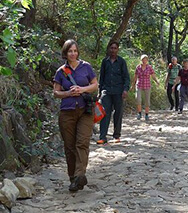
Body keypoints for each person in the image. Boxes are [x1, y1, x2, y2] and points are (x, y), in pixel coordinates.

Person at [53, 39, 98, 192]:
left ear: (78, 52)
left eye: (75, 51)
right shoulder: (61, 71)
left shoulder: (86, 67)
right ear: (65, 53)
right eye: (70, 51)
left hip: (85, 111)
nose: (73, 53)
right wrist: (68, 93)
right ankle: (73, 179)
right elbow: (56, 92)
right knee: (70, 147)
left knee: (82, 143)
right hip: (67, 112)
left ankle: (80, 175)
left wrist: (82, 89)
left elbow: (94, 85)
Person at [97, 41, 130, 145]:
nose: (113, 50)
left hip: (118, 91)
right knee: (104, 113)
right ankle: (102, 137)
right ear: (109, 49)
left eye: (115, 48)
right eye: (111, 48)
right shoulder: (105, 62)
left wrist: (125, 89)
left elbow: (126, 78)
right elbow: (101, 77)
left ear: (118, 49)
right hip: (106, 91)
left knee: (118, 113)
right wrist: (99, 92)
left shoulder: (121, 62)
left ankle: (116, 135)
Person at [131, 54, 159, 121]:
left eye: (145, 59)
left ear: (147, 60)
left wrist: (157, 81)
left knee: (147, 101)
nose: (144, 61)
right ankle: (139, 113)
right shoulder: (138, 67)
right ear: (141, 60)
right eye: (143, 59)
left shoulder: (149, 67)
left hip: (147, 85)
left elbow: (153, 75)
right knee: (138, 99)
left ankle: (146, 114)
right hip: (139, 85)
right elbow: (135, 77)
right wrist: (132, 85)